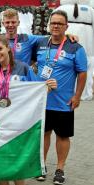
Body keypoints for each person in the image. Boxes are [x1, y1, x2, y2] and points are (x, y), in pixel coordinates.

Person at [0, 34, 57, 185]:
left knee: (16, 165)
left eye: (0, 49)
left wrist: (48, 86)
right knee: (1, 164)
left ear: (8, 48)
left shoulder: (23, 67)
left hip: (18, 123)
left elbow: (37, 90)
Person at [35, 10, 87, 185]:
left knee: (63, 136)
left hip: (64, 102)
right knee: (44, 134)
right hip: (42, 101)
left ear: (67, 26)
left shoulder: (75, 48)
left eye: (60, 23)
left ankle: (60, 169)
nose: (56, 26)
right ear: (49, 25)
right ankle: (41, 166)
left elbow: (82, 73)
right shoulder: (41, 42)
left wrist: (77, 96)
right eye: (53, 23)